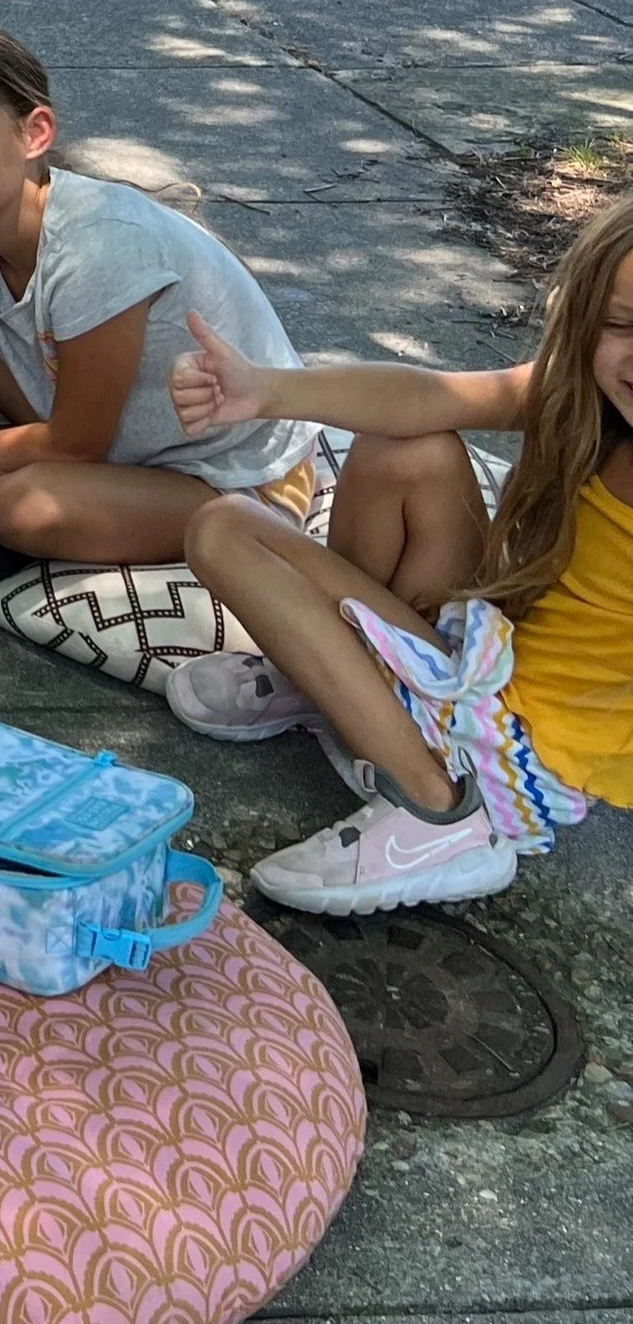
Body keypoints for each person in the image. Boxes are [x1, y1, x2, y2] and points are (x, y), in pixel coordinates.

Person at [161, 192, 633, 913]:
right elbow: (424, 395)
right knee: (404, 448)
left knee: (225, 529)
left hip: (513, 762)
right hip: (482, 669)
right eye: (622, 324)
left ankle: (438, 812)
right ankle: (335, 685)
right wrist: (265, 391)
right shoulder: (580, 400)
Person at [0, 23, 319, 618]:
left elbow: (75, 446)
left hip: (234, 481)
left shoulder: (96, 247)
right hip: (114, 442)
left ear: (35, 133)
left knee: (17, 506)